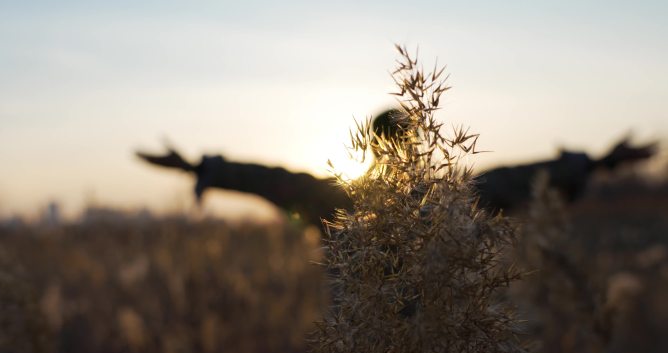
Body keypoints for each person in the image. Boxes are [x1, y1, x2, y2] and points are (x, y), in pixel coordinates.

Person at [136, 110, 656, 227]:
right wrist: (196, 166)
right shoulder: (336, 199)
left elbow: (532, 177)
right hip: (367, 352)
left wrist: (603, 161)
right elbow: (267, 178)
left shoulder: (458, 195)